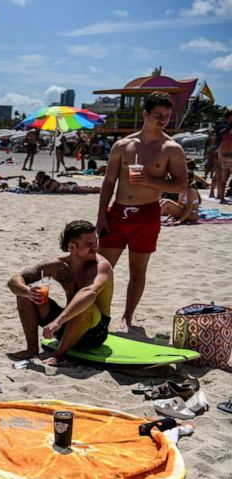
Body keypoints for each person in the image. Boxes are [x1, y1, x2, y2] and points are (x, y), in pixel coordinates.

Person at [97, 92, 188, 331]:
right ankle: (98, 313)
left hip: (147, 215)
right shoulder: (123, 145)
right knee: (102, 267)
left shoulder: (171, 148)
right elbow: (108, 182)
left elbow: (180, 185)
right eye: (158, 115)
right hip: (118, 211)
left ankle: (127, 317)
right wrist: (101, 214)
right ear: (145, 114)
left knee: (137, 271)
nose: (163, 120)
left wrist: (150, 181)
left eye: (167, 116)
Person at [8, 220, 114, 367]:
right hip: (65, 326)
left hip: (93, 332)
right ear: (72, 246)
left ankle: (59, 356)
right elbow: (14, 280)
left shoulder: (101, 266)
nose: (95, 247)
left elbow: (89, 292)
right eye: (89, 244)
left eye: (96, 241)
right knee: (25, 296)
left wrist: (58, 322)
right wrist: (27, 291)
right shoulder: (57, 265)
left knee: (86, 305)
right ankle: (31, 349)